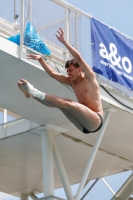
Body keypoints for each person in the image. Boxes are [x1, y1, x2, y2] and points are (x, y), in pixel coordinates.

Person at [17, 28, 103, 134]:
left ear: (80, 69)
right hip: (82, 126)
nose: (69, 73)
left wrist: (64, 42)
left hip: (95, 121)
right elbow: (53, 74)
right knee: (61, 104)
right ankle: (32, 94)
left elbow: (79, 59)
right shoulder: (72, 82)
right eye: (67, 71)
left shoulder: (90, 78)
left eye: (71, 70)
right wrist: (41, 59)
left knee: (68, 102)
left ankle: (34, 92)